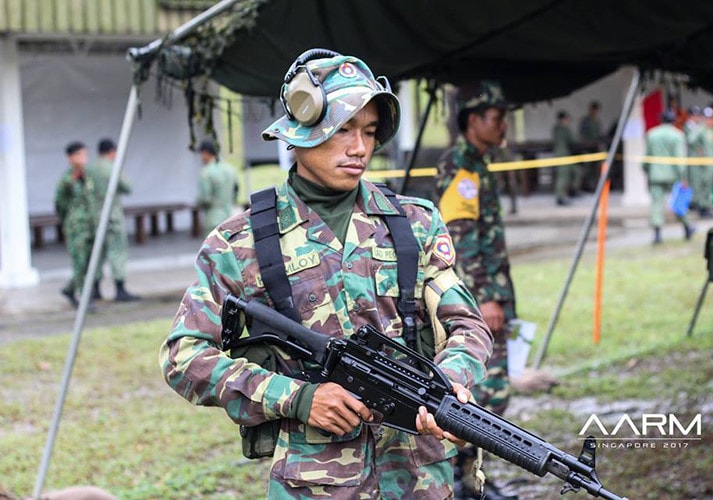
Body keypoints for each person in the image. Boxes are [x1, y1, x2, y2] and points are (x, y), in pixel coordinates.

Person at [159, 49, 493, 498]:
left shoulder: (414, 222)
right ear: (301, 129)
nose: (360, 148)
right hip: (314, 485)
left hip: (416, 480)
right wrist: (296, 397)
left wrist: (450, 385)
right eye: (344, 130)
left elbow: (467, 324)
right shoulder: (239, 243)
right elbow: (184, 356)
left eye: (370, 132)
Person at [434, 81, 517, 499]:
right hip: (477, 300)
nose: (503, 125)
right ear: (472, 120)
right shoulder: (461, 166)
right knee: (482, 392)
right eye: (496, 117)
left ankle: (468, 477)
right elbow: (460, 237)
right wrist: (484, 297)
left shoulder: (478, 163)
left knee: (490, 393)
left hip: (491, 294)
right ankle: (454, 478)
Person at [87, 138, 140, 302]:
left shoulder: (90, 169)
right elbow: (127, 187)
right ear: (112, 152)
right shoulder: (112, 168)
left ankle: (95, 288)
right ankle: (120, 289)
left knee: (97, 253)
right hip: (113, 217)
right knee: (117, 251)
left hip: (95, 217)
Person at [642, 110, 694, 244]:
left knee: (656, 204)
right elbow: (679, 158)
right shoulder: (677, 135)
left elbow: (647, 155)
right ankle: (687, 226)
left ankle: (657, 234)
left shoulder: (652, 134)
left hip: (656, 174)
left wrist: (646, 169)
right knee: (678, 202)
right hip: (673, 174)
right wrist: (683, 176)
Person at [55, 142, 96, 309]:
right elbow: (60, 204)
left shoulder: (87, 176)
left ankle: (69, 289)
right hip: (76, 228)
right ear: (71, 158)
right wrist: (70, 222)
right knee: (79, 263)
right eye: (80, 155)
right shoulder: (67, 180)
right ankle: (84, 299)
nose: (84, 158)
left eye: (85, 154)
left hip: (89, 226)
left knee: (88, 263)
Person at [195, 139, 239, 236]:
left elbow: (205, 198)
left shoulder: (206, 172)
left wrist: (198, 201)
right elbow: (236, 190)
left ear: (206, 153)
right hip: (231, 215)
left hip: (213, 217)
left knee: (213, 249)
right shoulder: (230, 169)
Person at [552, 110, 582, 206]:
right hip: (564, 155)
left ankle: (573, 190)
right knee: (563, 177)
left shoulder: (556, 128)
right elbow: (573, 140)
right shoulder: (564, 129)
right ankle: (560, 197)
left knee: (576, 171)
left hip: (561, 155)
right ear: (564, 119)